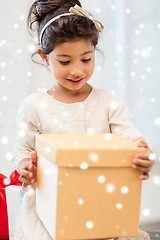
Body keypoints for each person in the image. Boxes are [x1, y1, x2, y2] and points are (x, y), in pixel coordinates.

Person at [12, 0, 154, 239]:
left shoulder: (107, 102)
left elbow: (130, 137)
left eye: (86, 59)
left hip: (100, 204)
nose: (77, 70)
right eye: (65, 61)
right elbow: (23, 149)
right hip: (50, 209)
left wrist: (141, 152)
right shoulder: (35, 106)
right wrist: (25, 165)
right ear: (45, 58)